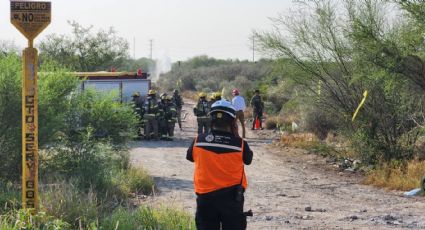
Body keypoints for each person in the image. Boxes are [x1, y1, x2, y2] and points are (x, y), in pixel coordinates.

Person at [186, 100, 253, 230]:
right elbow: (248, 160)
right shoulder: (240, 144)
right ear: (233, 122)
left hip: (205, 199)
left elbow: (190, 157)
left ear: (211, 120)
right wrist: (236, 136)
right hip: (232, 199)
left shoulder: (198, 141)